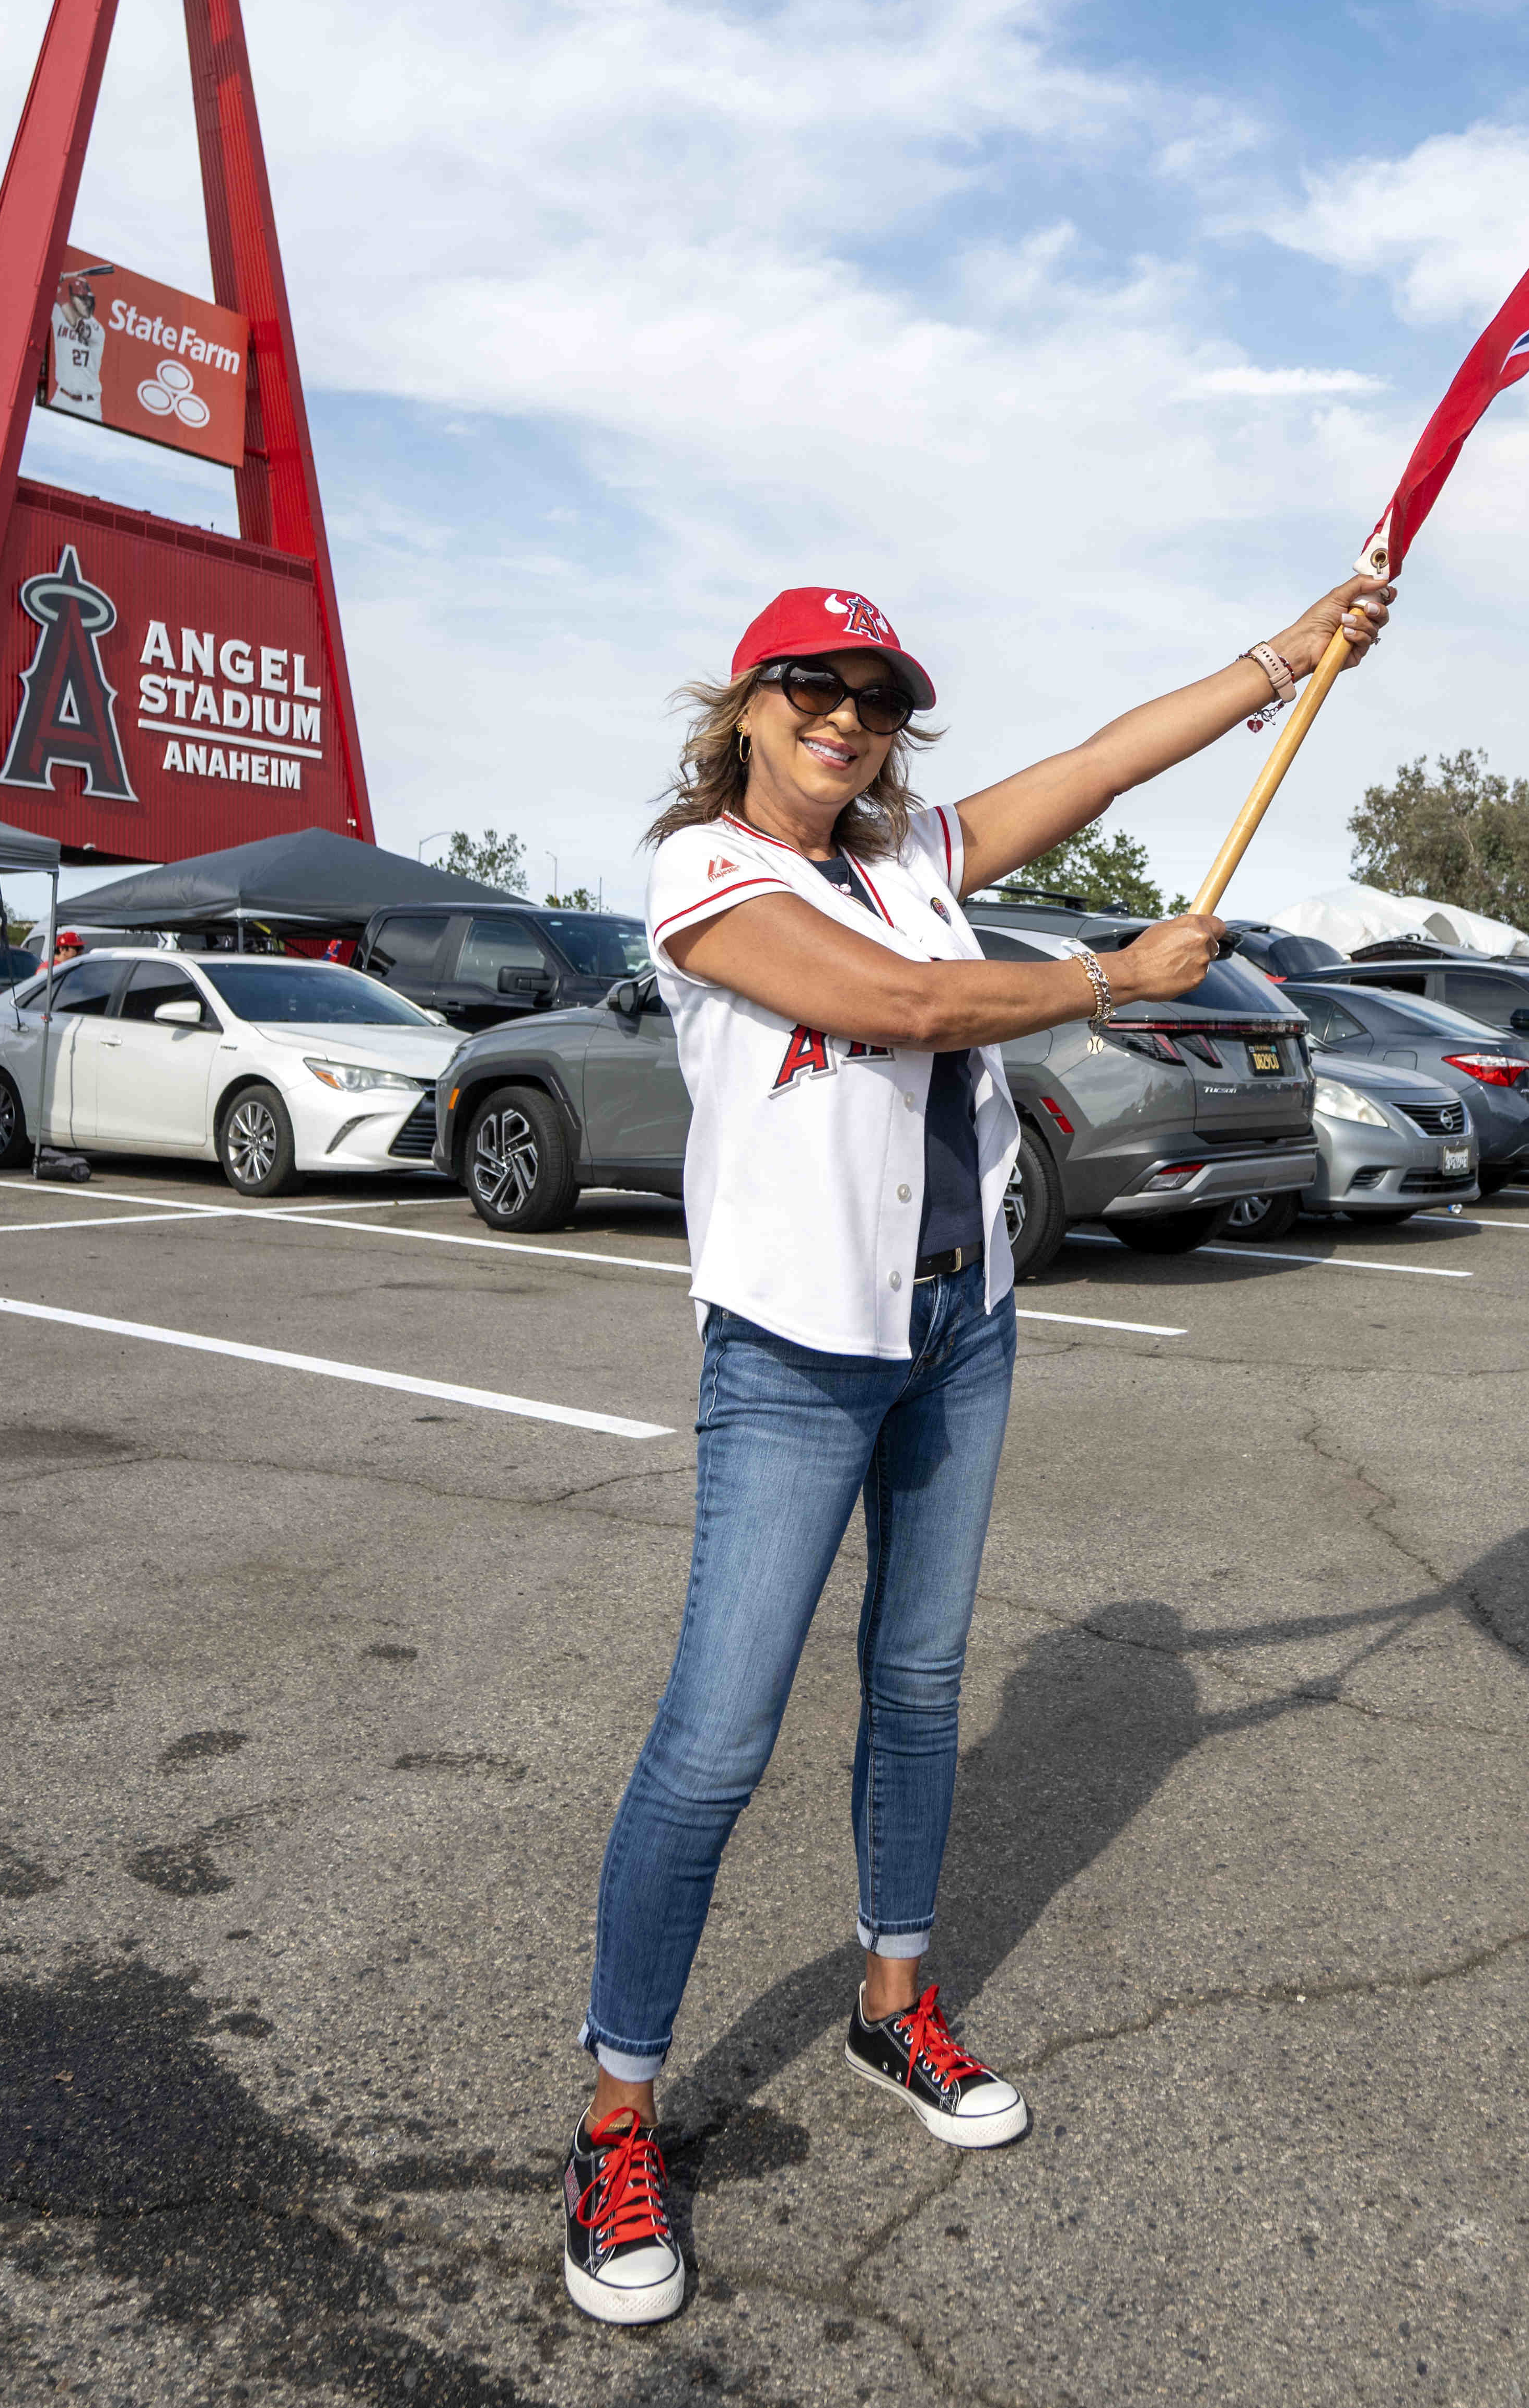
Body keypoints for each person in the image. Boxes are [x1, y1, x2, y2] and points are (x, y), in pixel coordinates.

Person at [558, 570, 1391, 2329]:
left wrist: (1283, 656)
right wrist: (1109, 976)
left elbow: (1094, 767)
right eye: (813, 690)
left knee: (922, 1684)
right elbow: (902, 1009)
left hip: (962, 1323)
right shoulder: (710, 872)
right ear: (748, 701)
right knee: (718, 1741)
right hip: (795, 1351)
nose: (845, 719)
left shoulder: (908, 850)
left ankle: (894, 2003)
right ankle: (618, 2114)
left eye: (874, 697)